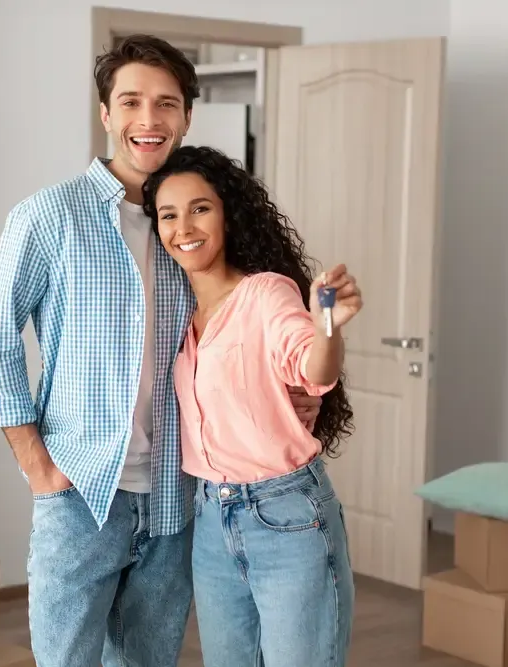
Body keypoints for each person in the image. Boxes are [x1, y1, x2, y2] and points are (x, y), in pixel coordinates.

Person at [0, 35, 321, 667]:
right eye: (131, 102)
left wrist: (294, 396)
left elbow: (245, 327)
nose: (148, 120)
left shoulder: (190, 229)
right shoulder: (51, 217)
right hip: (80, 498)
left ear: (186, 117)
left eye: (166, 104)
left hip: (176, 500)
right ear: (106, 114)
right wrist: (37, 466)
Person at [141, 144, 361, 667]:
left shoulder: (266, 294)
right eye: (168, 215)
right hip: (212, 521)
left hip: (286, 516)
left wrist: (327, 322)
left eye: (200, 208)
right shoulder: (176, 311)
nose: (183, 227)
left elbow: (312, 369)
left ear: (227, 214)